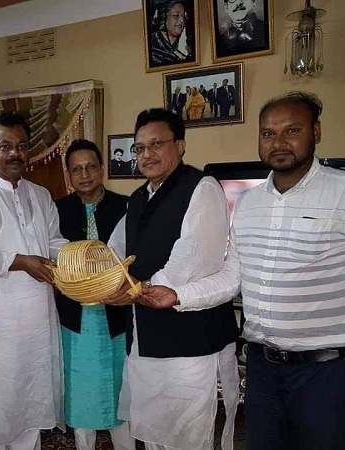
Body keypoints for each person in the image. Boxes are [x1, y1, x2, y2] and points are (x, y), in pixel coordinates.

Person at [145, 92, 345, 450]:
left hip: (327, 371)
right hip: (263, 369)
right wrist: (178, 295)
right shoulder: (247, 203)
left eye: (292, 130)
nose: (279, 142)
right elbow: (233, 276)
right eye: (268, 133)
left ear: (316, 132)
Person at [102, 108, 239, 450]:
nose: (146, 154)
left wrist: (134, 290)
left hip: (189, 339)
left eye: (156, 144)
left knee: (187, 434)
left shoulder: (201, 187)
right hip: (145, 335)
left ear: (180, 145)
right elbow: (114, 251)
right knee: (153, 432)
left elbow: (191, 258)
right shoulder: (138, 198)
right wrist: (105, 281)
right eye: (139, 148)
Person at [0, 112, 67, 450]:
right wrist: (22, 262)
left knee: (32, 400)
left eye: (21, 146)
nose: (14, 153)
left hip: (38, 319)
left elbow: (53, 241)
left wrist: (75, 257)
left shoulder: (41, 195)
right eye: (5, 146)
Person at [54, 139, 135, 450]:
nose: (84, 175)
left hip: (116, 315)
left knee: (119, 388)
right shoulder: (57, 210)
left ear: (102, 169)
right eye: (76, 169)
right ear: (69, 175)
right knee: (81, 388)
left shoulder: (126, 206)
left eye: (90, 167)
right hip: (75, 320)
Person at [149, 1, 191, 66]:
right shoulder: (152, 43)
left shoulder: (188, 43)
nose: (182, 20)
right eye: (176, 15)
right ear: (164, 17)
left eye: (183, 16)